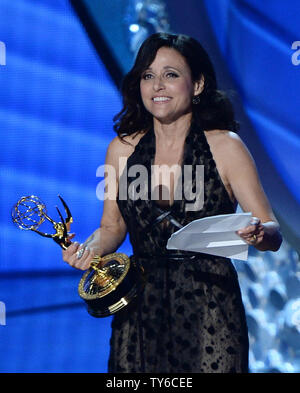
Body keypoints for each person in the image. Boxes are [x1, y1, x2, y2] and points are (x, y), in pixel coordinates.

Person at [62, 33, 282, 373]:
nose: (157, 86)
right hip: (138, 307)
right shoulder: (121, 150)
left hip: (211, 308)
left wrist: (258, 233)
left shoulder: (226, 147)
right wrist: (87, 250)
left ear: (197, 85)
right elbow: (111, 227)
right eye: (148, 76)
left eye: (171, 74)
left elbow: (272, 231)